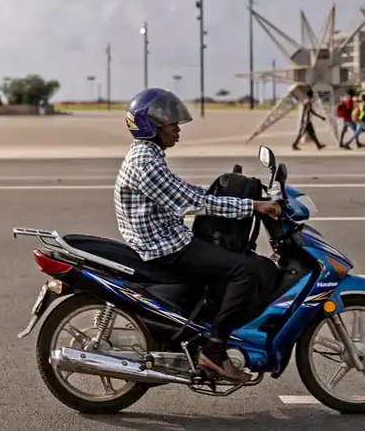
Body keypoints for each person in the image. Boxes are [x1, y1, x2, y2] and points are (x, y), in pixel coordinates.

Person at [114, 87, 282, 382]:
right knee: (244, 270)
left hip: (165, 238)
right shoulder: (145, 162)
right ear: (152, 126)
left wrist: (226, 194)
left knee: (226, 256)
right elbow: (190, 201)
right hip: (165, 247)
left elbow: (183, 190)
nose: (177, 130)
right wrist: (252, 206)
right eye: (172, 124)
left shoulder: (148, 154)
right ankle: (214, 350)